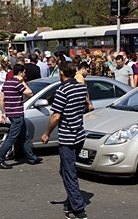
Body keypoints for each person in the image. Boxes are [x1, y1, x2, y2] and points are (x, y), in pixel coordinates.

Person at [41, 62, 88, 219]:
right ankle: (71, 202)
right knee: (65, 170)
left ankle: (78, 208)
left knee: (69, 172)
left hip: (68, 137)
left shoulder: (62, 90)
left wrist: (47, 133)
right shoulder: (81, 88)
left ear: (61, 73)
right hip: (79, 134)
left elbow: (56, 116)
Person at [0, 64, 41, 169]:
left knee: (24, 136)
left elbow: (2, 99)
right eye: (24, 72)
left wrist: (3, 113)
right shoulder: (17, 83)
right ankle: (0, 160)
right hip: (17, 114)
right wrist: (22, 81)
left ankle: (32, 157)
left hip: (11, 113)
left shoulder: (7, 83)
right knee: (12, 138)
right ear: (20, 73)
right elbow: (30, 93)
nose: (24, 74)